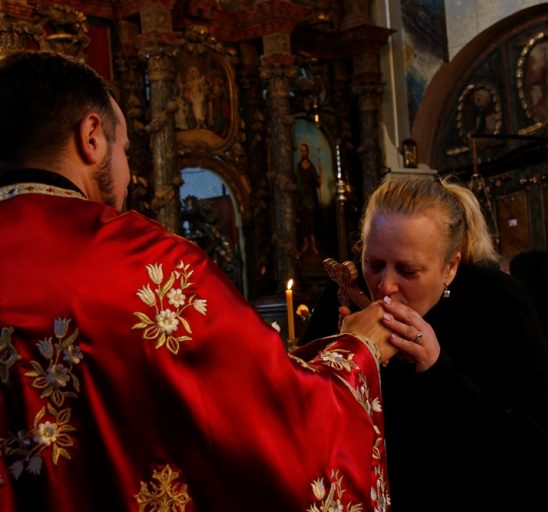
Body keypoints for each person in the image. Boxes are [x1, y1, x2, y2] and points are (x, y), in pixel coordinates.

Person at [0, 50, 397, 510]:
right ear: (91, 138)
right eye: (124, 150)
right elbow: (281, 421)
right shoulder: (150, 268)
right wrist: (357, 351)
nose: (129, 174)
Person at [304, 175, 548, 510]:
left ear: (450, 267)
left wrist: (437, 368)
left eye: (408, 271)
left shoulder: (496, 302)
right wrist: (344, 354)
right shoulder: (343, 293)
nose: (385, 286)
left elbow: (539, 453)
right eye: (374, 264)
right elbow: (302, 423)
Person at [295, 142, 321, 255]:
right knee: (304, 221)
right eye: (301, 151)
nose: (303, 153)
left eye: (304, 151)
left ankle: (313, 244)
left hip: (311, 198)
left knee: (311, 222)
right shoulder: (298, 166)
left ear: (307, 152)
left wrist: (320, 174)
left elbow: (317, 181)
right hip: (301, 198)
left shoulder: (311, 166)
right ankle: (306, 243)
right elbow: (297, 181)